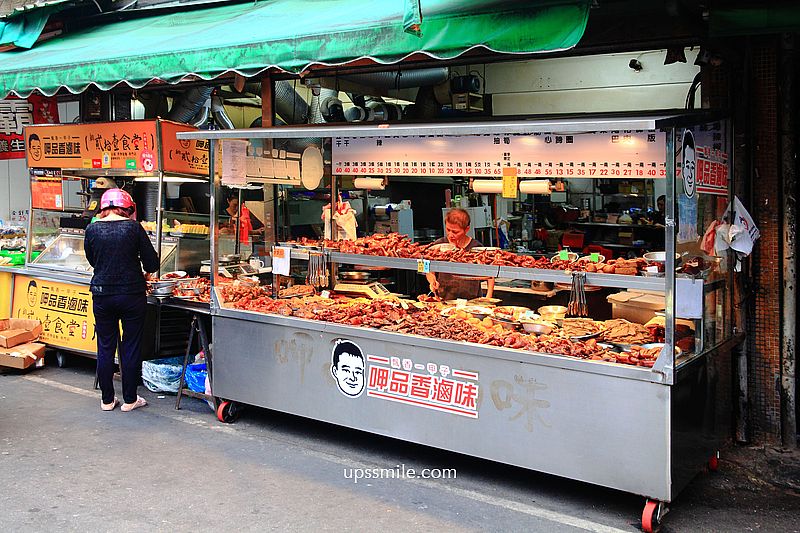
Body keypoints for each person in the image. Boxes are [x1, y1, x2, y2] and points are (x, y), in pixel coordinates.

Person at [84, 189, 159, 412]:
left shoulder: (92, 229)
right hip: (131, 294)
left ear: (103, 208)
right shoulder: (134, 228)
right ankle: (129, 399)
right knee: (131, 346)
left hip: (102, 293)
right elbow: (152, 263)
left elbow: (91, 258)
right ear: (128, 209)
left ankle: (107, 399)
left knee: (105, 346)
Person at [426, 208, 495, 301]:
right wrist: (432, 281)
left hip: (472, 301)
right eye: (448, 230)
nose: (450, 235)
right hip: (444, 299)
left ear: (466, 229)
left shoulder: (476, 248)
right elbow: (429, 269)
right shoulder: (439, 246)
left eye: (455, 232)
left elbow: (489, 273)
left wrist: (488, 297)